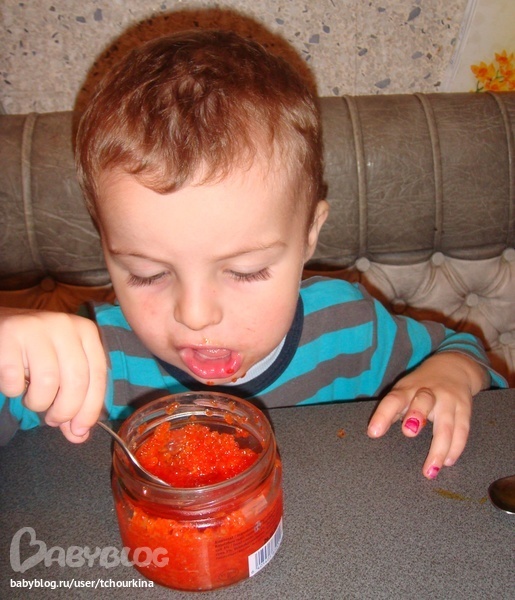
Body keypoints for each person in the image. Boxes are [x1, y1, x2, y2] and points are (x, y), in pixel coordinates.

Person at [0, 30, 506, 479]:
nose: (196, 315)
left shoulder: (349, 327)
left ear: (309, 235)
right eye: (146, 273)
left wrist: (451, 376)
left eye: (246, 271)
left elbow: (467, 357)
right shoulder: (91, 361)